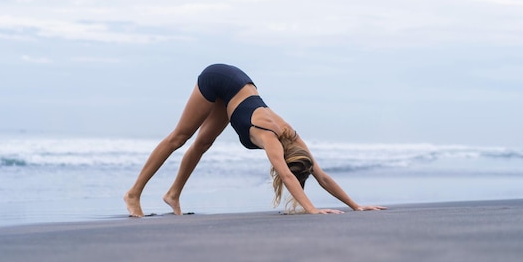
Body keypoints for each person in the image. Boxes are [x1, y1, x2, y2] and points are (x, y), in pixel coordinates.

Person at [124, 64, 386, 216]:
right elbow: (286, 175)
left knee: (204, 143)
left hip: (238, 89)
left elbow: (323, 176)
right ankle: (133, 194)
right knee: (180, 137)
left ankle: (172, 194)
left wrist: (356, 206)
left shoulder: (295, 138)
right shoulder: (272, 139)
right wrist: (313, 210)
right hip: (218, 79)